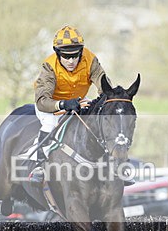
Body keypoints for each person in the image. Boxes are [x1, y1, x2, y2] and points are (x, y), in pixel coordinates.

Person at [29, 25, 111, 183]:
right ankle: (38, 166)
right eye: (66, 56)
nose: (71, 61)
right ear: (58, 53)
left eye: (75, 55)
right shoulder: (49, 66)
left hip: (78, 102)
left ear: (81, 51)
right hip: (51, 107)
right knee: (50, 124)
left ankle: (111, 166)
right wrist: (63, 105)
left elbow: (105, 87)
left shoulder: (91, 60)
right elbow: (42, 102)